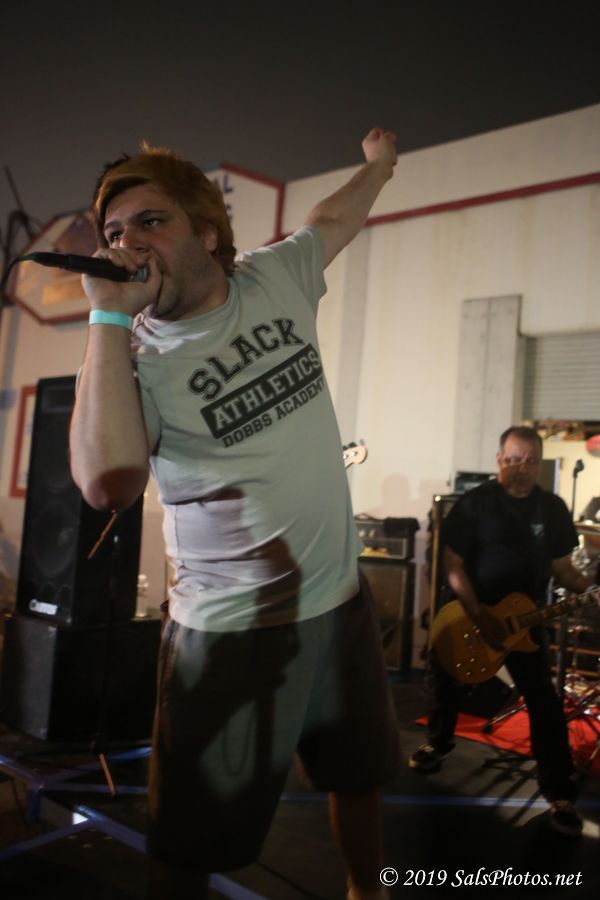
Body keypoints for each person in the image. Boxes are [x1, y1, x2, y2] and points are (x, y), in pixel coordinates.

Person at [69, 129, 400, 900]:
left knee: (359, 775)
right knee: (188, 848)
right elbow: (107, 484)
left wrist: (380, 167)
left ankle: (369, 892)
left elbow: (333, 218)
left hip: (338, 602)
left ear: (208, 232)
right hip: (229, 638)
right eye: (114, 232)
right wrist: (107, 321)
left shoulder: (274, 276)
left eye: (151, 221)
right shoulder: (133, 356)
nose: (128, 243)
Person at [409, 426, 599, 838]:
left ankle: (559, 793)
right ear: (499, 460)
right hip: (469, 615)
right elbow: (453, 565)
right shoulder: (475, 504)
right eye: (513, 459)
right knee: (447, 681)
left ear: (539, 463)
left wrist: (592, 589)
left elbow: (564, 569)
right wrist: (480, 616)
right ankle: (438, 743)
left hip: (525, 622)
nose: (521, 467)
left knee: (543, 700)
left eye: (530, 460)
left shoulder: (551, 509)